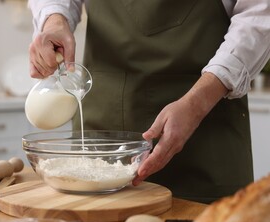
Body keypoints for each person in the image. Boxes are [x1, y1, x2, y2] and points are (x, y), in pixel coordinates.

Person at [28, 0, 270, 203]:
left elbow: (259, 14)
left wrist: (197, 103)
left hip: (206, 134)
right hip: (101, 130)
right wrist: (54, 20)